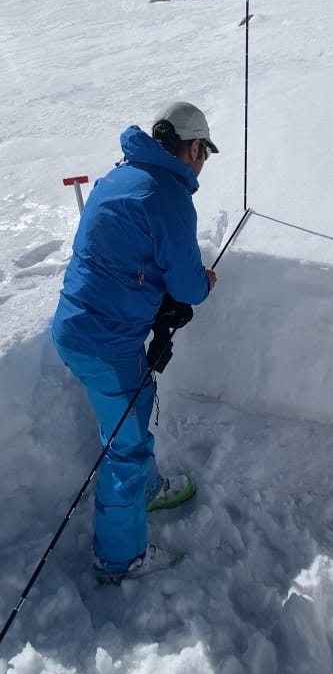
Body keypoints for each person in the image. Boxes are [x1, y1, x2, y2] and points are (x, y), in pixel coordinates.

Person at [52, 101, 218, 584]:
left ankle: (144, 492)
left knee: (135, 405)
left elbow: (126, 255)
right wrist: (204, 282)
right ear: (193, 148)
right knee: (125, 447)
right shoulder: (168, 196)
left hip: (81, 327)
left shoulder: (121, 175)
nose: (203, 162)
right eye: (205, 152)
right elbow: (188, 285)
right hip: (105, 341)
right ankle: (119, 558)